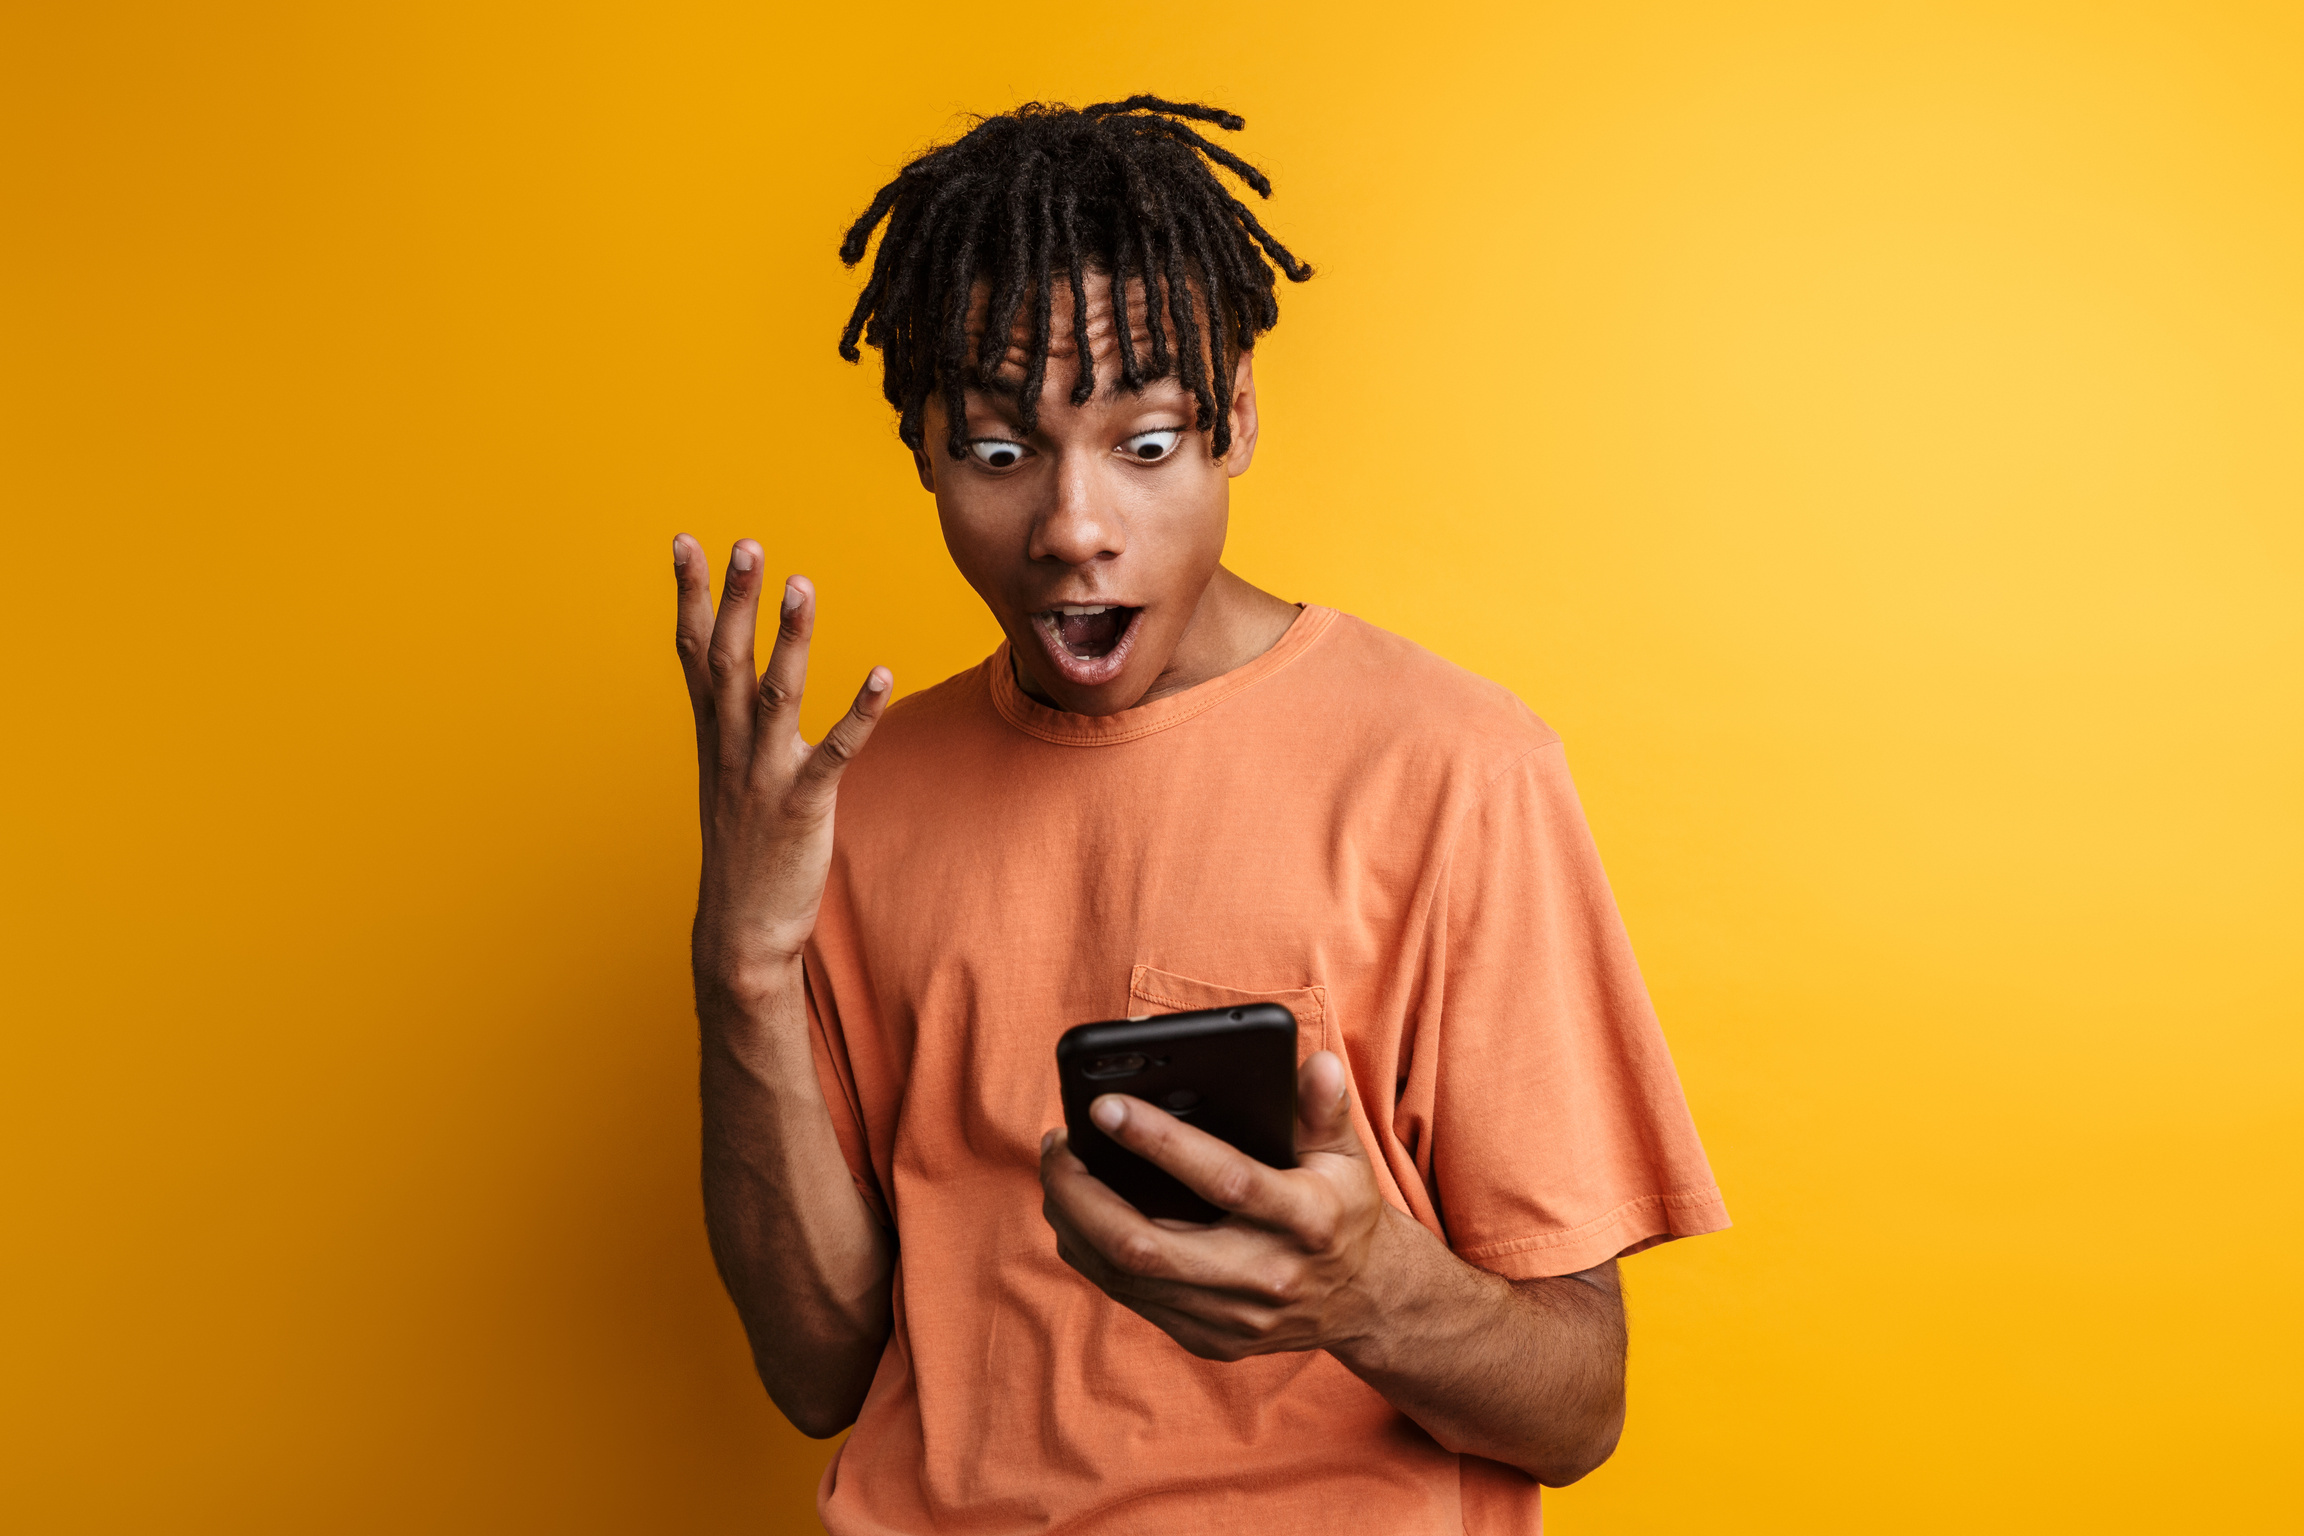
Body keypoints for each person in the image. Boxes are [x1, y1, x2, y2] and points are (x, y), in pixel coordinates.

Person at [668, 95, 1727, 1534]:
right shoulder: (849, 807)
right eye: (999, 452)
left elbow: (1577, 1406)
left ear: (1234, 418)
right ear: (922, 446)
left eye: (1147, 445)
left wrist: (1368, 1289)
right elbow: (817, 1366)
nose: (1074, 524)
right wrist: (740, 968)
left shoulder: (1456, 770)